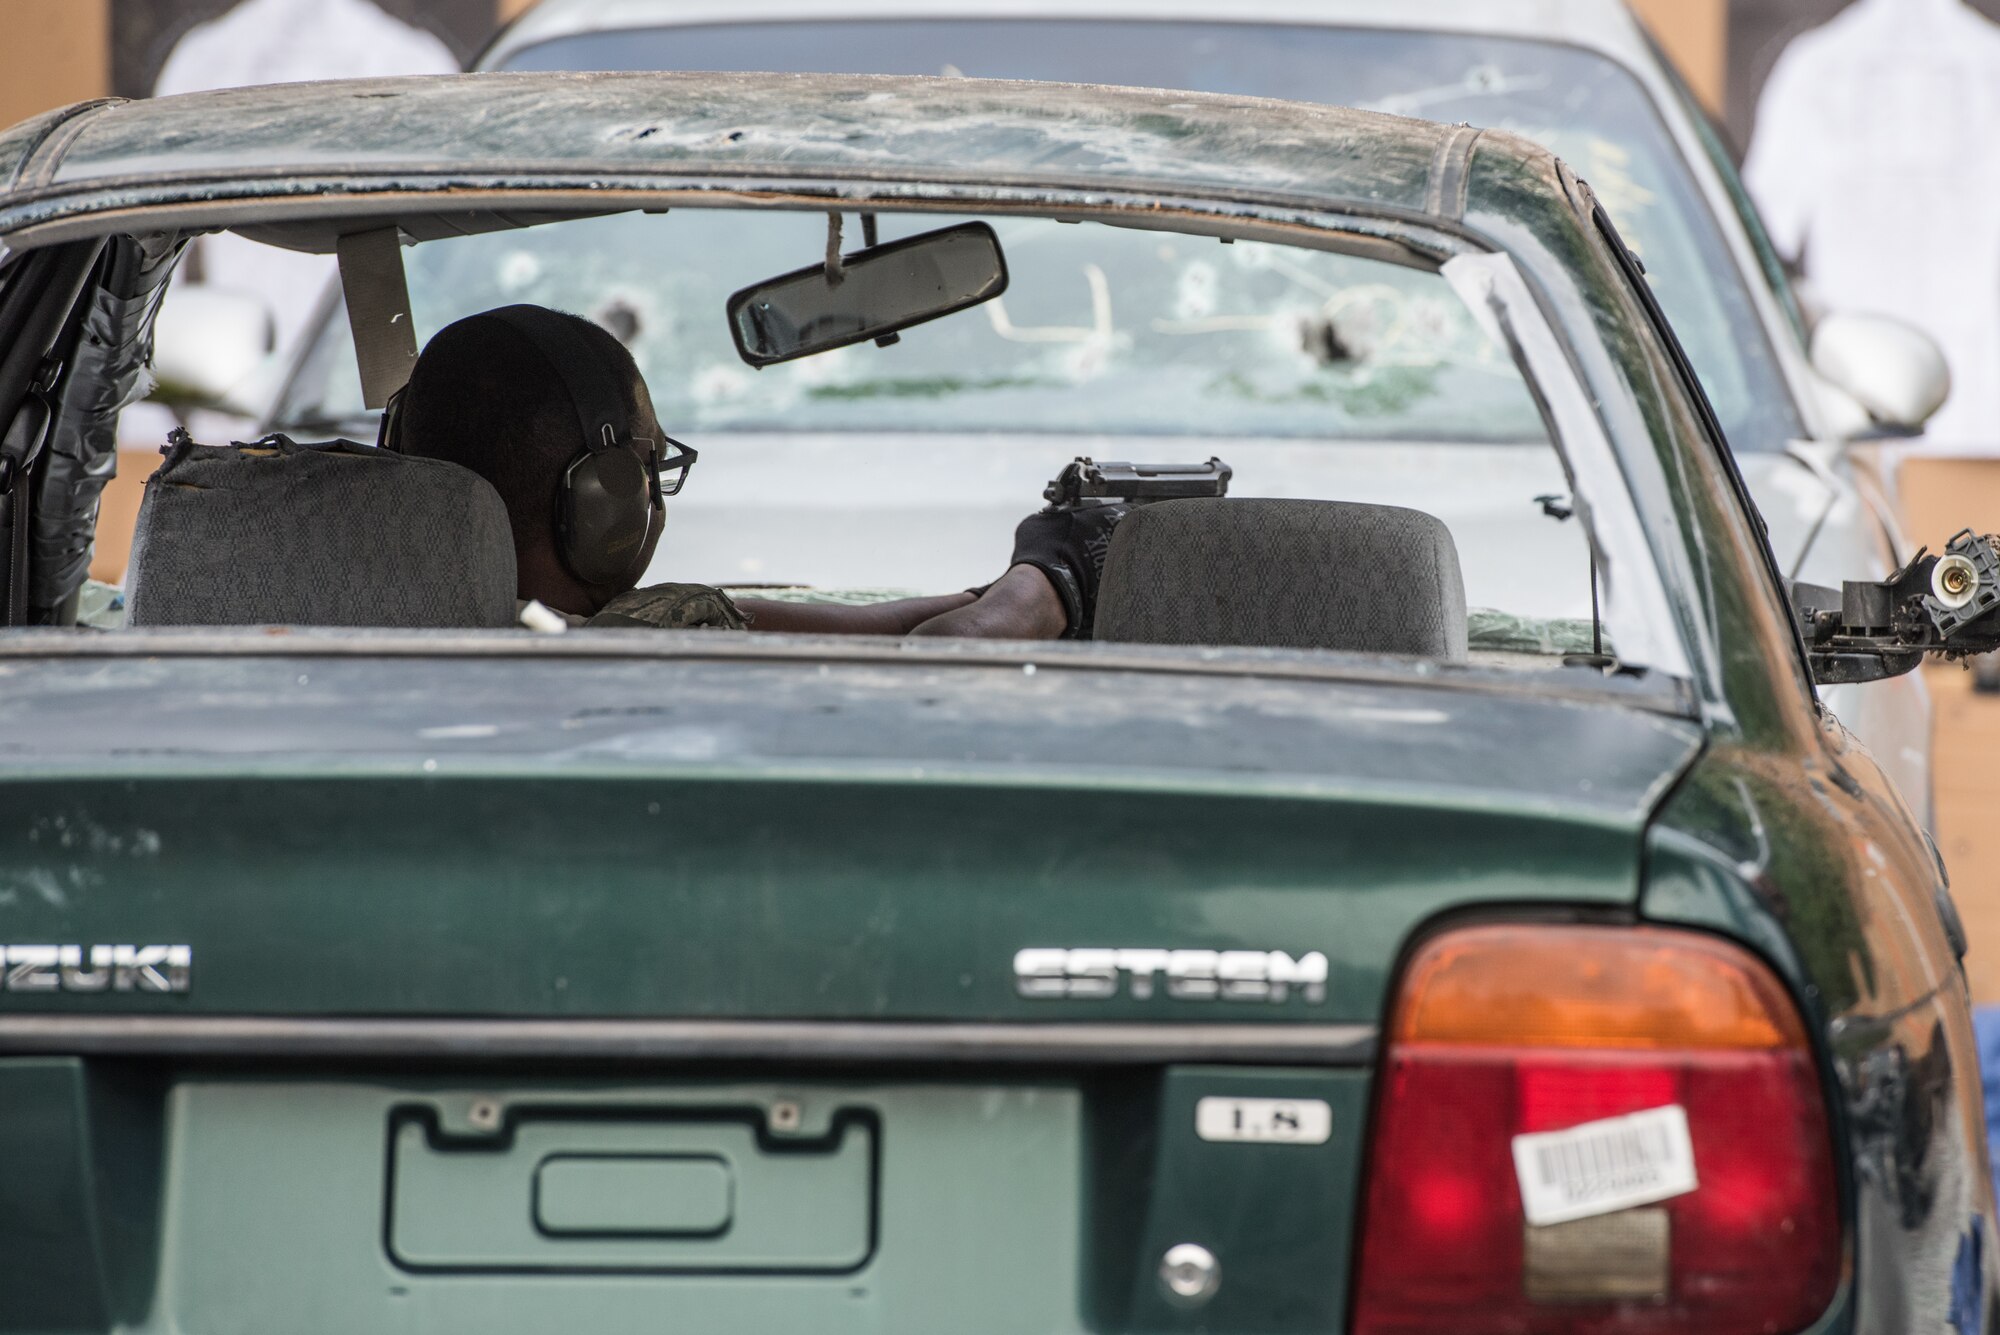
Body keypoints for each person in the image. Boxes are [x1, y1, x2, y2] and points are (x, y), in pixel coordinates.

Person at [393, 305, 1124, 639]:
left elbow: (880, 627)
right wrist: (1050, 577)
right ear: (600, 505)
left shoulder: (317, 619)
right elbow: (927, 668)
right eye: (644, 470)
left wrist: (983, 589)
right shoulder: (640, 643)